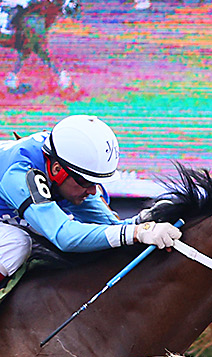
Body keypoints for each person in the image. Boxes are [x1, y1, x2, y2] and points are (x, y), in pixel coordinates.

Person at [0, 114, 180, 283]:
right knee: (15, 243)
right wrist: (137, 232)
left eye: (96, 182)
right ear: (57, 170)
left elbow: (111, 229)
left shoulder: (67, 162)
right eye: (87, 182)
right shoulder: (19, 173)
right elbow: (64, 236)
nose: (93, 191)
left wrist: (143, 224)